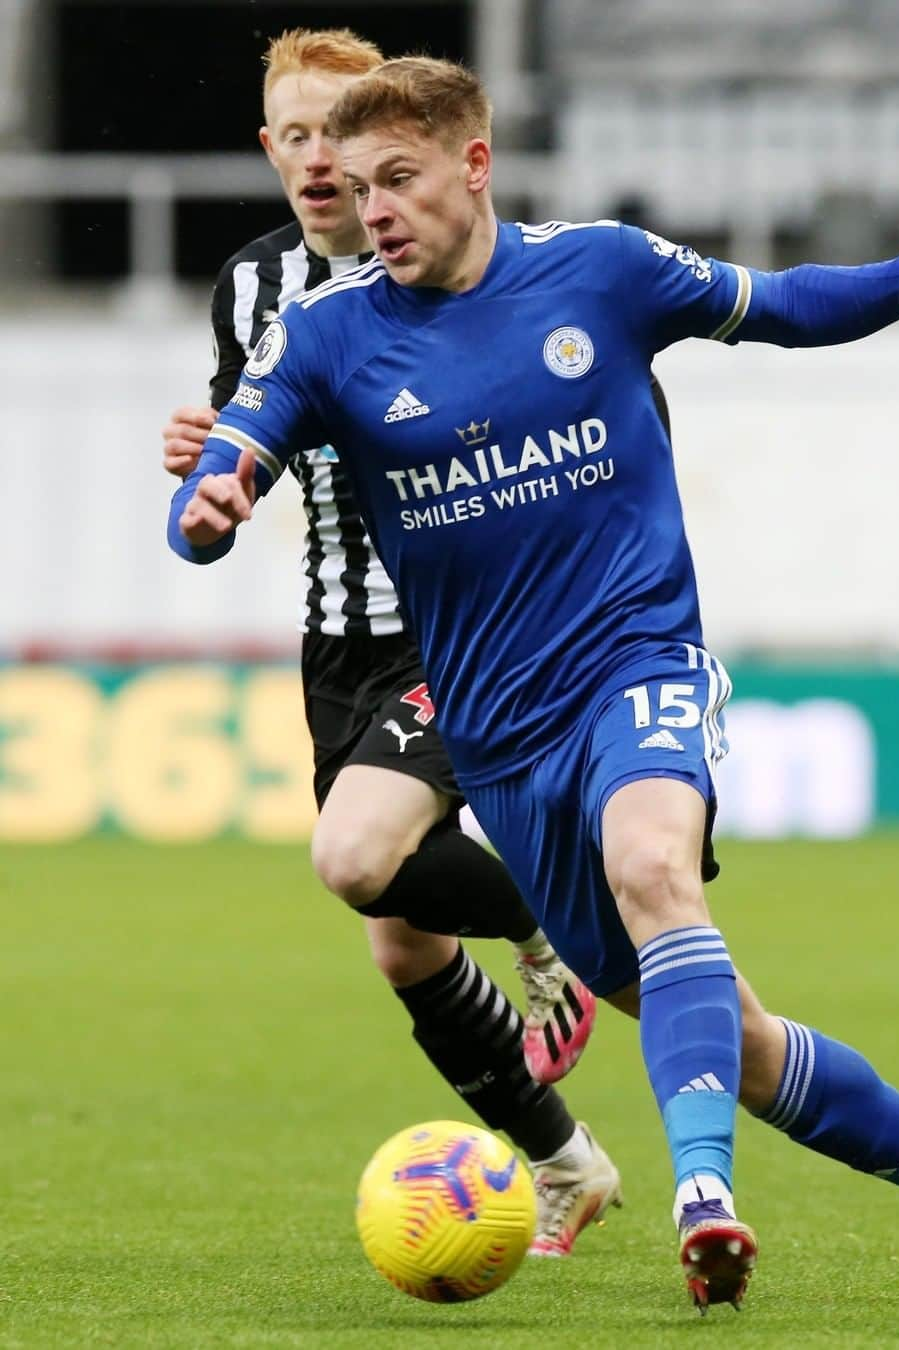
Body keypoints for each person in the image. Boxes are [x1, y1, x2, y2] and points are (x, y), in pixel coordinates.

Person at [167, 56, 899, 1311]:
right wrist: (208, 511)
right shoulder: (325, 333)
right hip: (499, 738)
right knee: (741, 1047)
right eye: (359, 187)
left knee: (655, 867)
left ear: (474, 167)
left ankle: (704, 1199)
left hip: (635, 658)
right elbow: (220, 478)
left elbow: (781, 303)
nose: (372, 211)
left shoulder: (601, 269)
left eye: (399, 181)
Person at [162, 29, 622, 1259]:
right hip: (335, 639)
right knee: (400, 937)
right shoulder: (251, 288)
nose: (322, 162)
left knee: (356, 855)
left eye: (341, 138)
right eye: (297, 137)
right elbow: (258, 441)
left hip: (451, 628)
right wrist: (216, 468)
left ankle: (550, 925)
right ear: (270, 149)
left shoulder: (421, 267)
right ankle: (569, 1165)